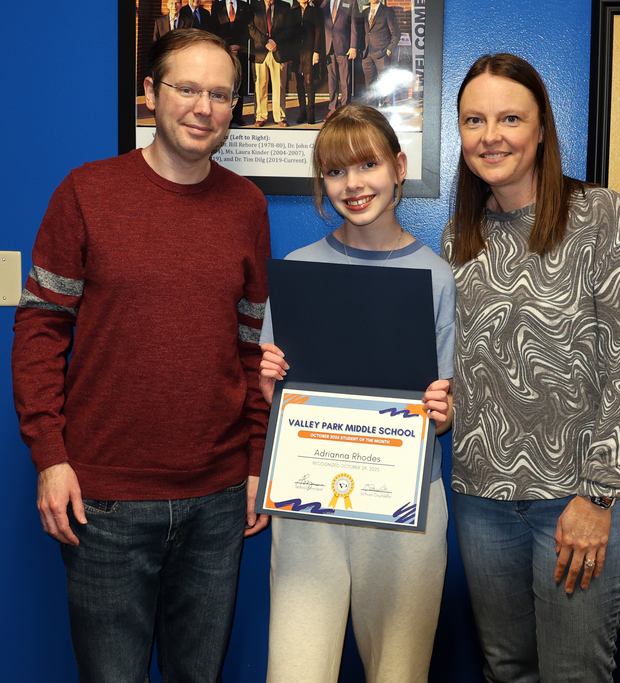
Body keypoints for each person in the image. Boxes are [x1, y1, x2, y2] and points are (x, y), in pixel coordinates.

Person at [11, 28, 271, 682]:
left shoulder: (247, 206)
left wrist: (254, 463)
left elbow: (251, 348)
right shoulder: (86, 192)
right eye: (187, 88)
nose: (203, 108)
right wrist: (49, 456)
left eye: (220, 94)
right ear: (150, 93)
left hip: (216, 502)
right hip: (103, 503)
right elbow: (40, 327)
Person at [442, 53, 620, 683]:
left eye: (510, 118)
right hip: (482, 499)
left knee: (572, 674)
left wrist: (598, 495)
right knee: (506, 669)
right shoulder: (464, 231)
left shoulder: (600, 215)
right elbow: (468, 360)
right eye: (474, 120)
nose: (491, 136)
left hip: (577, 500)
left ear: (541, 129)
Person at [258, 105, 455, 683]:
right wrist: (269, 384)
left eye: (367, 164)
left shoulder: (437, 277)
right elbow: (278, 402)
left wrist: (441, 414)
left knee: (400, 672)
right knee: (295, 670)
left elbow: (445, 408)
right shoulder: (299, 270)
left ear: (398, 167)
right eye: (336, 171)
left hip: (406, 504)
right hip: (310, 503)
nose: (353, 184)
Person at [211, 0, 254, 126]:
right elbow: (214, 29)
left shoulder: (245, 7)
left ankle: (238, 116)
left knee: (239, 84)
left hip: (239, 52)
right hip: (223, 52)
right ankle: (224, 116)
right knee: (223, 84)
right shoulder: (217, 6)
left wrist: (239, 46)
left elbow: (248, 30)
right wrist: (226, 46)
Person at [250, 0, 292, 126]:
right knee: (260, 85)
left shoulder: (285, 6)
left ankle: (279, 116)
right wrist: (266, 42)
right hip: (260, 52)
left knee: (279, 85)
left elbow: (289, 28)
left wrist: (275, 42)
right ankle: (261, 116)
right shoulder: (254, 6)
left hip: (278, 51)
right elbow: (251, 28)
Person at [318, 0, 359, 116]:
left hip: (344, 47)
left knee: (345, 79)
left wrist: (353, 46)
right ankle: (332, 108)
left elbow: (354, 25)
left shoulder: (351, 2)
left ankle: (345, 108)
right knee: (332, 79)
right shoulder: (324, 3)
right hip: (328, 47)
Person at [285, 0, 320, 124]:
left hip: (309, 51)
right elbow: (289, 33)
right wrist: (289, 54)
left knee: (309, 82)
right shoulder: (292, 12)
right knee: (299, 83)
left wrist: (316, 51)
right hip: (296, 52)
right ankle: (302, 112)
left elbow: (318, 31)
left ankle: (311, 111)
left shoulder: (315, 11)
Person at [361, 0, 399, 107]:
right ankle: (372, 105)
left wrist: (389, 49)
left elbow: (395, 33)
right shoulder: (365, 12)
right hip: (367, 53)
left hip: (382, 53)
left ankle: (387, 104)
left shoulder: (387, 11)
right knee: (369, 82)